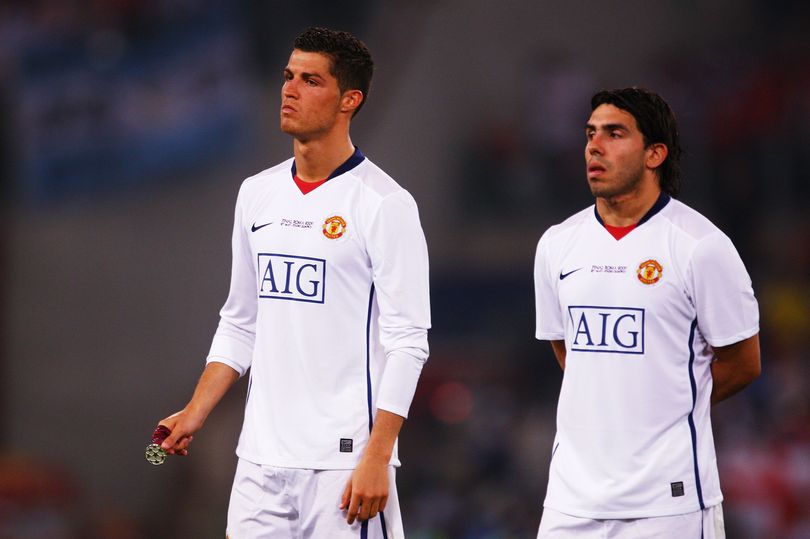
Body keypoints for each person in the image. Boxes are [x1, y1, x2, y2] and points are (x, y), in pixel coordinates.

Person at [155, 27, 430, 538]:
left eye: (310, 80)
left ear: (350, 99)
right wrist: (196, 410)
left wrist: (378, 455)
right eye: (288, 76)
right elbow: (240, 322)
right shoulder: (256, 194)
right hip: (259, 462)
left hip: (343, 464)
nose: (289, 90)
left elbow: (409, 342)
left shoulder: (385, 204)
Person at [533, 87, 760, 538]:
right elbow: (567, 351)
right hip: (569, 502)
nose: (594, 146)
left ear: (655, 153)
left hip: (668, 503)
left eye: (614, 134)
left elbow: (743, 363)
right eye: (590, 133)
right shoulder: (557, 244)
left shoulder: (701, 246)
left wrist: (666, 404)